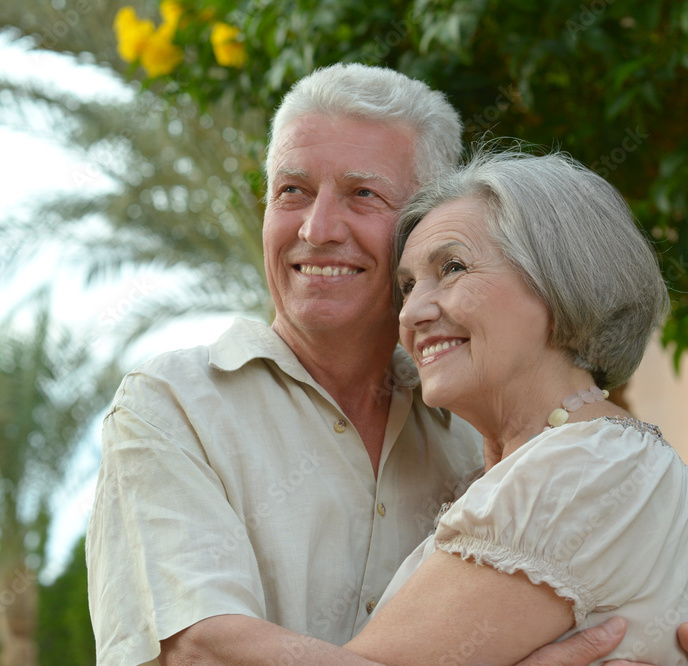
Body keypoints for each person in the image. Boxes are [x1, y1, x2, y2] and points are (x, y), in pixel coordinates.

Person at [86, 62, 688, 665]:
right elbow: (195, 653)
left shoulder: (502, 439)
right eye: (291, 191)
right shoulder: (174, 404)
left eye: (363, 194)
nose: (317, 230)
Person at [341, 149, 688, 664]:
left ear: (559, 278)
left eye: (452, 267)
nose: (411, 312)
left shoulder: (579, 471)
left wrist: (215, 638)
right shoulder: (594, 456)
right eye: (408, 285)